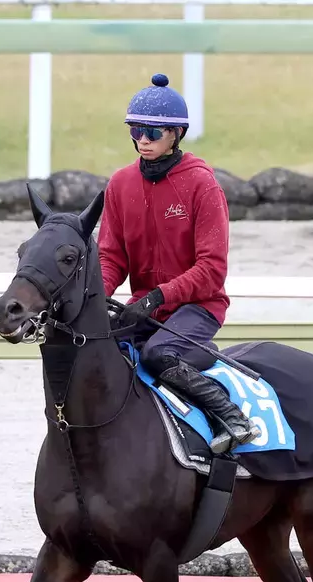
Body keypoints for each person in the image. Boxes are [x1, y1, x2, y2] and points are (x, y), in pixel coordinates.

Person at [98, 72, 260, 454]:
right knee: (97, 346)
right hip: (146, 310)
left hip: (199, 308)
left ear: (176, 134)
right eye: (136, 130)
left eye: (153, 133)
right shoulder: (120, 185)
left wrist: (156, 297)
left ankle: (232, 417)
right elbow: (110, 258)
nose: (142, 140)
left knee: (158, 354)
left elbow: (211, 270)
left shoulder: (202, 185)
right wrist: (94, 297)